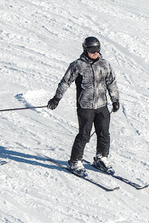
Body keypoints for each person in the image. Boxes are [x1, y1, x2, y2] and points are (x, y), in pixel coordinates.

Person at [47, 36, 120, 177]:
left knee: (104, 133)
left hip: (102, 105)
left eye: (97, 50)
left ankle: (101, 157)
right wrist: (56, 98)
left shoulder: (105, 64)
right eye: (92, 50)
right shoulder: (77, 65)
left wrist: (115, 100)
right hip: (85, 106)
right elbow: (65, 82)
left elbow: (112, 82)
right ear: (85, 49)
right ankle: (75, 161)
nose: (95, 53)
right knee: (84, 135)